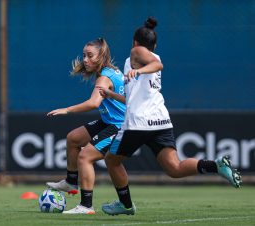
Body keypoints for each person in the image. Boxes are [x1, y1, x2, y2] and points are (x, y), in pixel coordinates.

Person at [98, 17, 242, 216]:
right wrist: (113, 95)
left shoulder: (137, 53)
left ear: (135, 43)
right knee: (174, 168)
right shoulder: (140, 62)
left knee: (112, 160)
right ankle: (215, 166)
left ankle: (125, 204)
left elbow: (158, 64)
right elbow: (135, 97)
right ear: (155, 44)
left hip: (139, 123)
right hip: (161, 121)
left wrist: (138, 70)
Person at [46, 37, 163, 214]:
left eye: (90, 56)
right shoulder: (112, 72)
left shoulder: (104, 78)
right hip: (109, 121)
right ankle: (71, 181)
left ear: (101, 56)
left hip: (119, 125)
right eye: (84, 55)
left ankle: (86, 206)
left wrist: (67, 110)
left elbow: (93, 103)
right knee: (73, 138)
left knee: (85, 157)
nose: (85, 60)